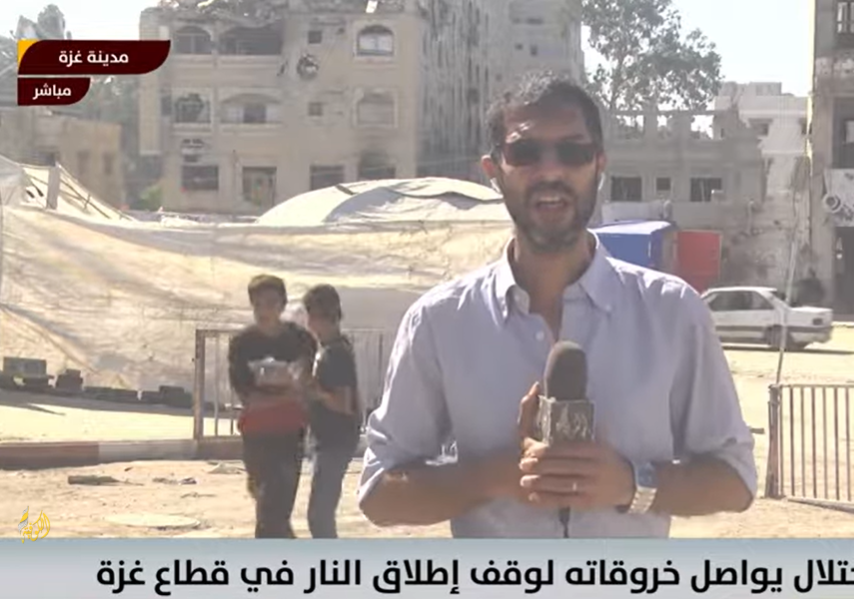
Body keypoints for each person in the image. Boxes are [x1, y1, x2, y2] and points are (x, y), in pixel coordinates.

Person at [357, 72, 756, 538]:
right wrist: (497, 476)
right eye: (526, 153)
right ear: (493, 170)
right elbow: (379, 494)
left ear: (599, 164)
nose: (551, 172)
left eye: (572, 152)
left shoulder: (671, 313)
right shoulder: (440, 322)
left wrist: (631, 484)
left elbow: (735, 480)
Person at [227, 274, 316, 538]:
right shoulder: (243, 344)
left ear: (283, 305)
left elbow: (306, 386)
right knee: (267, 503)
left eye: (271, 303)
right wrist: (288, 393)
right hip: (256, 431)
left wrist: (286, 393)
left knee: (276, 508)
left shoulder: (300, 340)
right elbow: (249, 397)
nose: (264, 310)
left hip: (290, 431)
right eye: (258, 304)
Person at [301, 284, 361, 538]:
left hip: (335, 442)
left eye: (312, 316)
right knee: (320, 514)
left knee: (319, 515)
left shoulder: (336, 353)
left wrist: (316, 391)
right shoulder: (328, 349)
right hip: (328, 440)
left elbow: (343, 403)